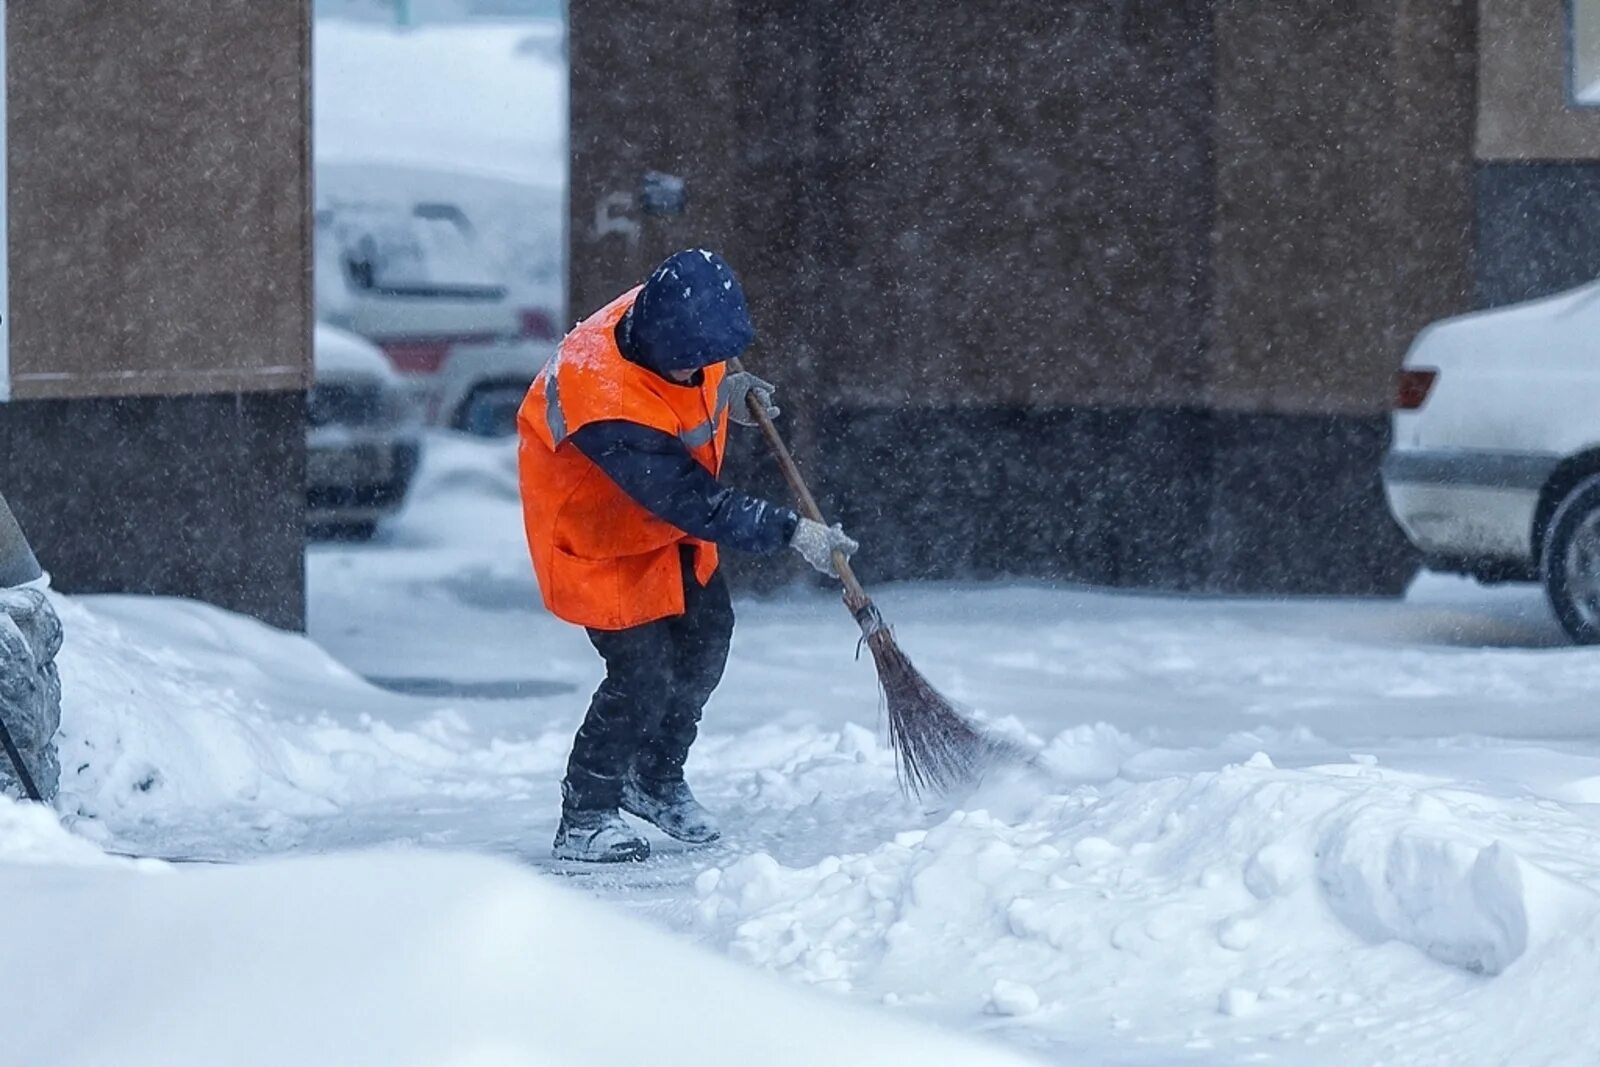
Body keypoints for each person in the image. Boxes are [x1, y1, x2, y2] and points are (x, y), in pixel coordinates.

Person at [517, 249, 860, 862]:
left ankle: (653, 777)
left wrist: (723, 387)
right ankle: (586, 813)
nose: (698, 370)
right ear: (653, 344)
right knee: (642, 676)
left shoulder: (665, 315)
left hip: (665, 528)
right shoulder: (603, 400)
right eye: (690, 364)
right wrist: (789, 531)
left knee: (706, 642)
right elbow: (689, 498)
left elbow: (688, 394)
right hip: (599, 537)